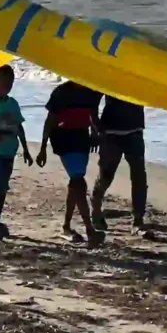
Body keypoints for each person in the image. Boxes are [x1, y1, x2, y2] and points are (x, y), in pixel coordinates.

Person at [43, 77, 103, 242]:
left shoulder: (92, 91)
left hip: (82, 140)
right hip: (64, 139)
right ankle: (90, 229)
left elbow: (92, 115)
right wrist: (42, 148)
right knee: (79, 183)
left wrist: (96, 134)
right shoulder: (61, 92)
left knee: (75, 185)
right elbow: (50, 121)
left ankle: (66, 227)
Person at [92, 91, 148, 234]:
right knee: (105, 176)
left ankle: (138, 221)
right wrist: (95, 126)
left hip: (135, 130)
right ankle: (96, 210)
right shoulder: (112, 73)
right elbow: (93, 98)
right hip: (110, 132)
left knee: (139, 177)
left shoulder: (141, 74)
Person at [0, 64, 33, 233]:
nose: (7, 86)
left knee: (3, 187)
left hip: (9, 150)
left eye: (10, 83)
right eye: (3, 82)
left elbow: (19, 127)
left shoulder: (13, 104)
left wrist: (26, 149)